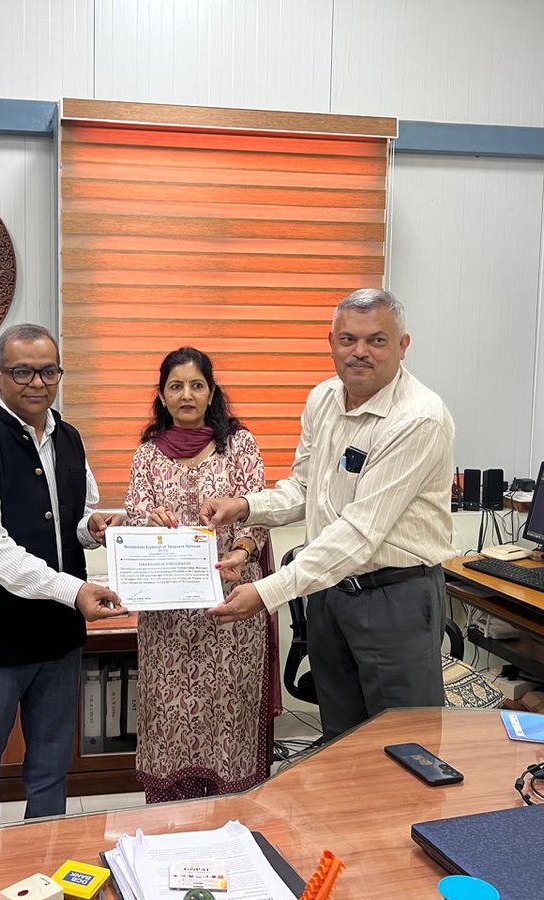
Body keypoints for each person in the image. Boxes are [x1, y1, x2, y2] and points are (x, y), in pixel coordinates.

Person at [203, 288, 456, 740]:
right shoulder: (323, 399)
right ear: (331, 343)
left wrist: (267, 592)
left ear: (402, 346)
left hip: (393, 598)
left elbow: (359, 532)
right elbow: (305, 488)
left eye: (377, 340)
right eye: (348, 339)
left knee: (404, 745)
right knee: (341, 737)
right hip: (329, 594)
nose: (360, 352)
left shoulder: (418, 418)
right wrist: (245, 506)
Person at [0, 323, 128, 827]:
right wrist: (75, 590)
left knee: (50, 767)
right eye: (22, 371)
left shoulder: (70, 438)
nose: (37, 383)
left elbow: (76, 521)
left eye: (48, 371)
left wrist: (94, 527)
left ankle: (44, 855)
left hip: (59, 637)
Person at [124, 347, 273, 802]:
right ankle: (172, 821)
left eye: (196, 385)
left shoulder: (239, 445)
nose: (186, 395)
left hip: (231, 609)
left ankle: (233, 820)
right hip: (167, 621)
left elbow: (258, 511)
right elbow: (134, 518)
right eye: (176, 386)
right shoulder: (147, 455)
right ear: (162, 396)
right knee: (169, 715)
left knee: (230, 714)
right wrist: (149, 522)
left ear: (211, 392)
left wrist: (242, 550)